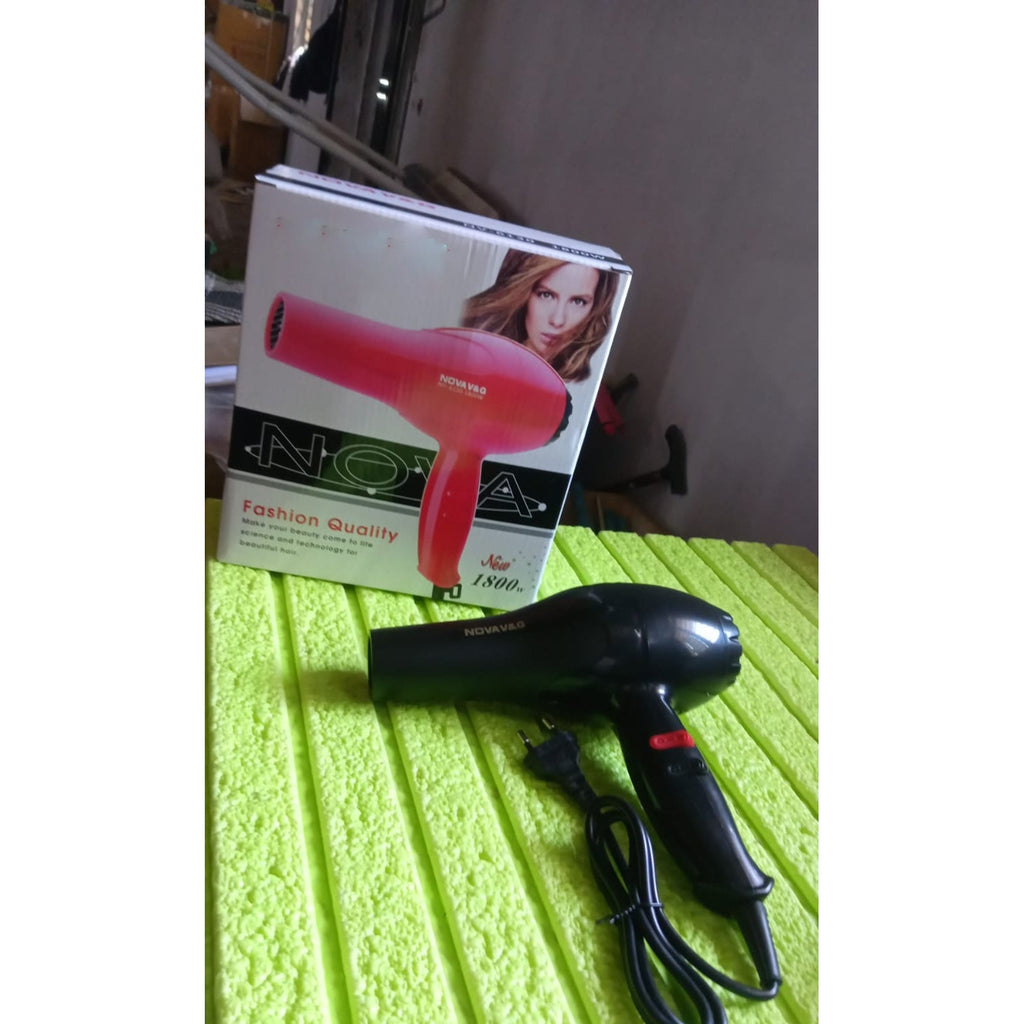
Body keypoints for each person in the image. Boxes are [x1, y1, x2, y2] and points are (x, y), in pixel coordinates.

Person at [461, 250, 618, 382]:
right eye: (546, 295)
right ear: (523, 294)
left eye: (578, 301)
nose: (557, 320)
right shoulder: (472, 355)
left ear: (595, 306)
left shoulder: (579, 385)